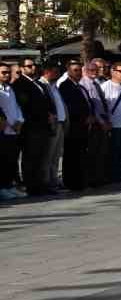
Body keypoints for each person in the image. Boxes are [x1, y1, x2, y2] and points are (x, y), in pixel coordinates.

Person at [12, 57, 55, 195]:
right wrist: (42, 115)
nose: (33, 68)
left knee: (41, 157)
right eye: (29, 66)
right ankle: (32, 186)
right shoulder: (20, 84)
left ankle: (40, 184)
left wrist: (50, 114)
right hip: (31, 128)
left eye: (34, 65)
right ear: (22, 68)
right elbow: (25, 105)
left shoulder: (38, 84)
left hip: (43, 127)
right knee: (30, 157)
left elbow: (46, 102)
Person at [57, 60, 92, 191]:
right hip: (73, 126)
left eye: (79, 70)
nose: (78, 73)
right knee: (72, 155)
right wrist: (84, 117)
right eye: (75, 70)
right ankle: (72, 182)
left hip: (83, 126)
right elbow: (70, 107)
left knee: (80, 155)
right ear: (68, 72)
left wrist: (90, 116)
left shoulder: (79, 86)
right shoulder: (65, 86)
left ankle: (80, 180)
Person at [81, 58, 111, 186]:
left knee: (101, 151)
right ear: (85, 71)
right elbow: (92, 106)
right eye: (91, 70)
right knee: (93, 152)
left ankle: (99, 177)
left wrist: (107, 119)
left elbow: (101, 103)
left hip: (102, 121)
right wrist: (101, 121)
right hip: (95, 123)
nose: (94, 72)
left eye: (96, 70)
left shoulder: (96, 83)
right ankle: (92, 178)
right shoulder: (85, 84)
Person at [39, 62, 66, 192]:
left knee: (56, 155)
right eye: (55, 71)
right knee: (48, 155)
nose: (57, 74)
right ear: (46, 71)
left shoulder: (54, 86)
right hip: (51, 125)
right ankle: (46, 181)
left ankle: (54, 180)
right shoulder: (42, 85)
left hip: (60, 123)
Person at [0, 63, 22, 199]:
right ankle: (2, 187)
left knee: (12, 160)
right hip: (4, 130)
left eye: (8, 72)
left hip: (14, 130)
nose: (7, 75)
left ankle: (9, 185)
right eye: (3, 73)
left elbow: (16, 107)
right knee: (3, 160)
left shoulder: (10, 88)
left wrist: (20, 121)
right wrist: (8, 124)